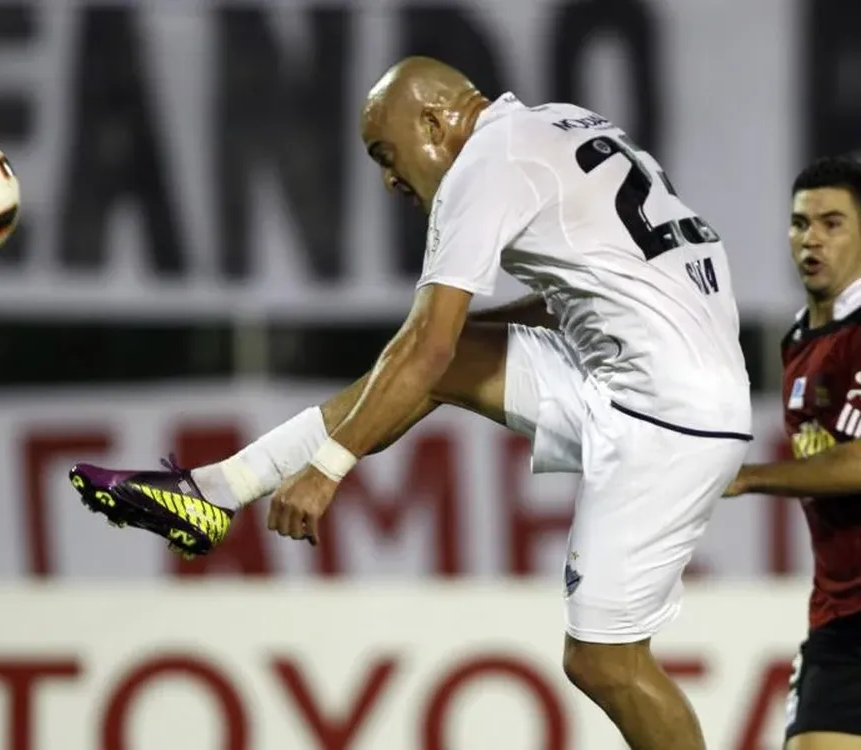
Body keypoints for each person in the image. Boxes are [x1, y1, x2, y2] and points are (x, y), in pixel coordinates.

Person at [69, 56, 751, 749]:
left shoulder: (483, 166)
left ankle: (219, 490)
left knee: (603, 659)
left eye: (386, 155)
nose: (390, 180)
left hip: (665, 415)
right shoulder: (555, 127)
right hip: (661, 383)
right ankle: (213, 489)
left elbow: (423, 344)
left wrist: (329, 468)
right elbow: (566, 298)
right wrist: (449, 341)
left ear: (433, 120)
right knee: (444, 356)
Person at [725, 155, 861, 750]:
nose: (812, 239)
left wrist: (750, 478)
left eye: (832, 223)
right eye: (800, 223)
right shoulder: (798, 343)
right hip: (839, 617)